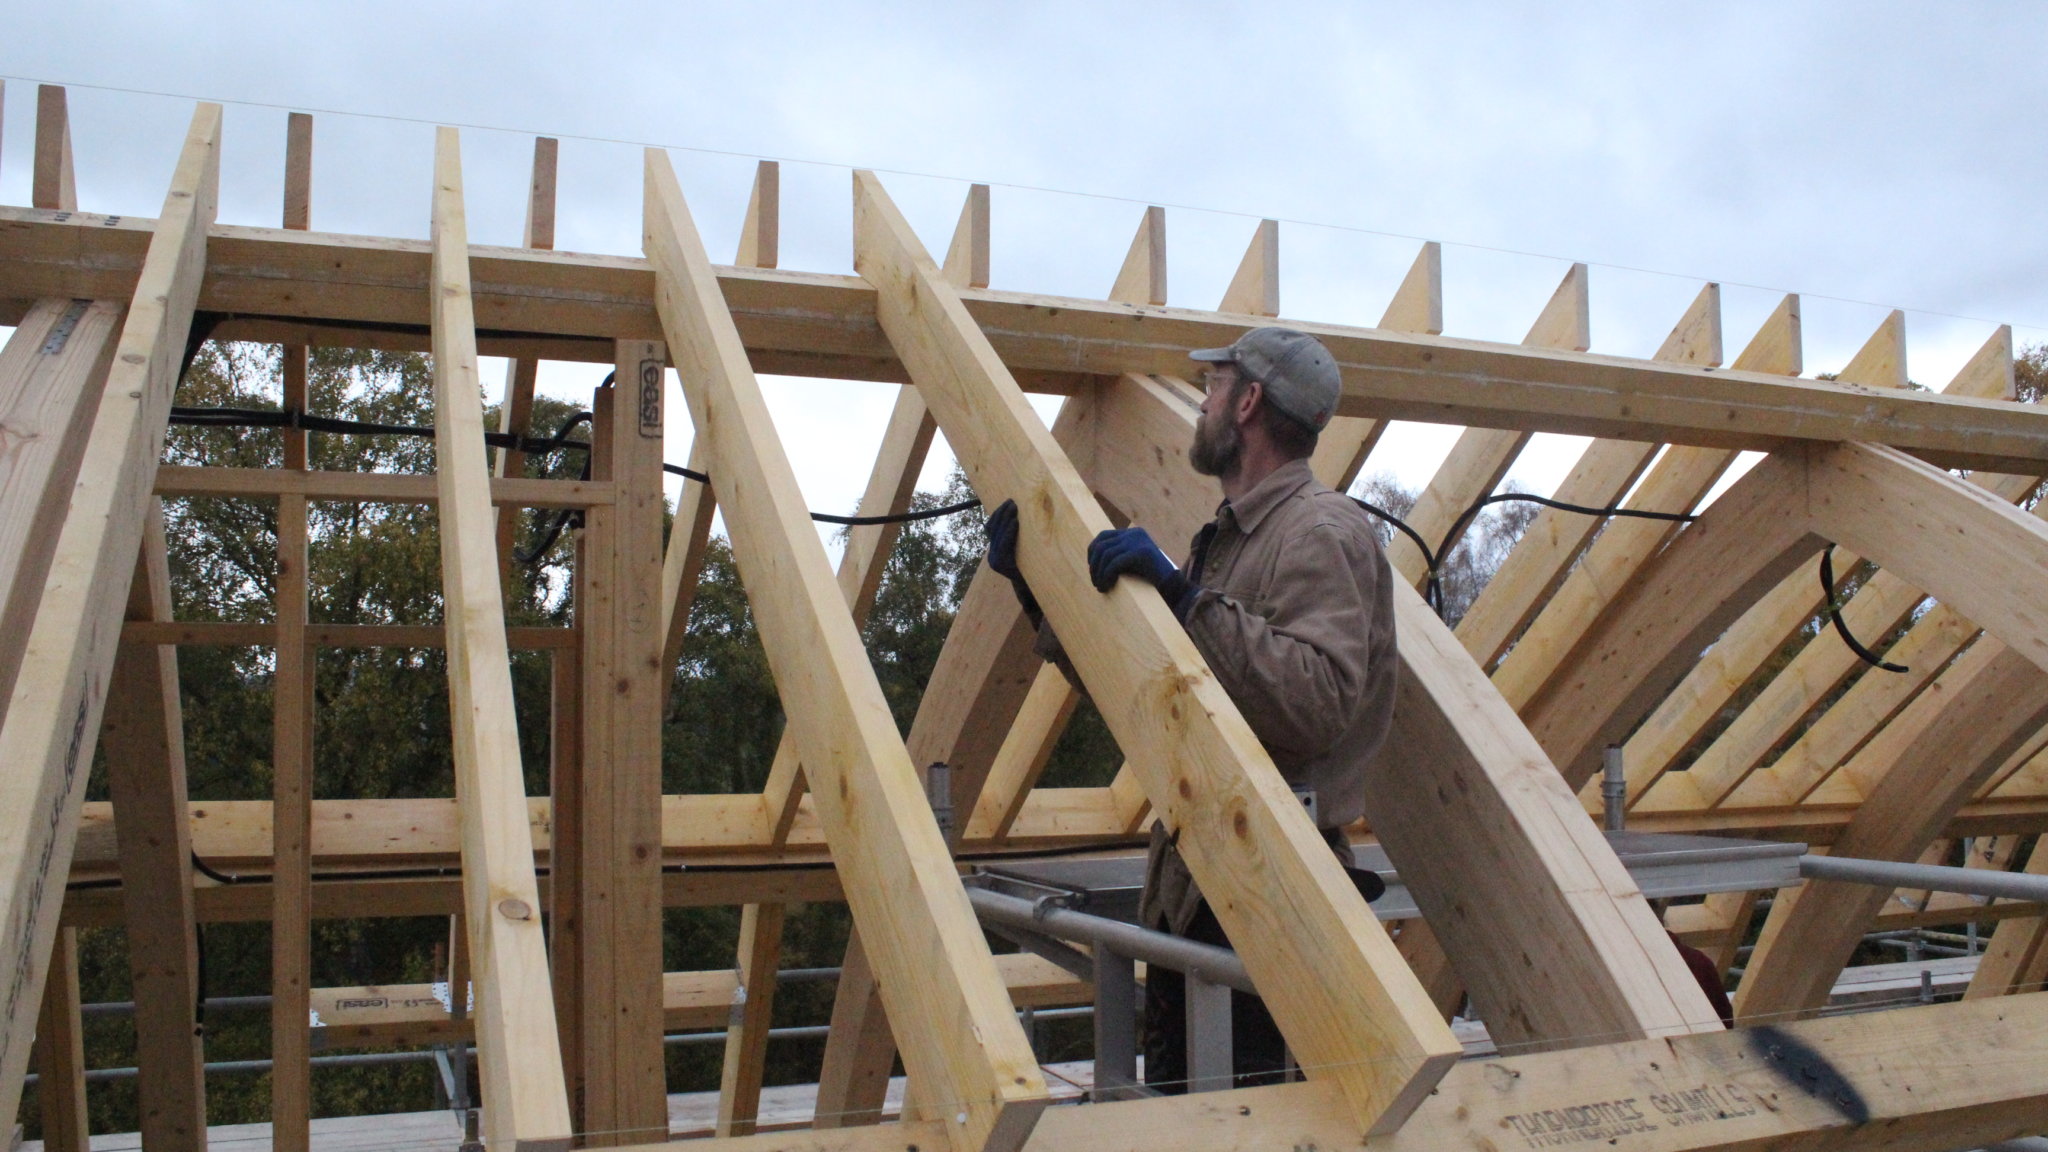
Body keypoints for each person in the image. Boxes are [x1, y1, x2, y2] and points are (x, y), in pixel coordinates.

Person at [984, 326, 1398, 1091]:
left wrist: (1183, 598)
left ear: (1246, 403)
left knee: (1252, 1123)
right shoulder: (1231, 539)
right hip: (1197, 891)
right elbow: (1157, 692)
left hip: (1273, 896)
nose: (1200, 404)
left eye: (1211, 388)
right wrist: (1037, 589)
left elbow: (1314, 702)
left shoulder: (1321, 532)